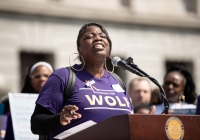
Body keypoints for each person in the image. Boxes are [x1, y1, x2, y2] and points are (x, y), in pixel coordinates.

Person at [30, 23, 172, 140]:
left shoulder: (117, 81)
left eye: (102, 36)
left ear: (109, 48)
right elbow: (36, 123)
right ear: (79, 49)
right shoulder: (63, 76)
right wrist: (59, 119)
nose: (98, 38)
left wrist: (145, 123)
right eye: (89, 36)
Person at [4, 61, 53, 140]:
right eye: (37, 76)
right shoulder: (10, 103)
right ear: (30, 81)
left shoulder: (63, 102)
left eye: (46, 75)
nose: (42, 79)